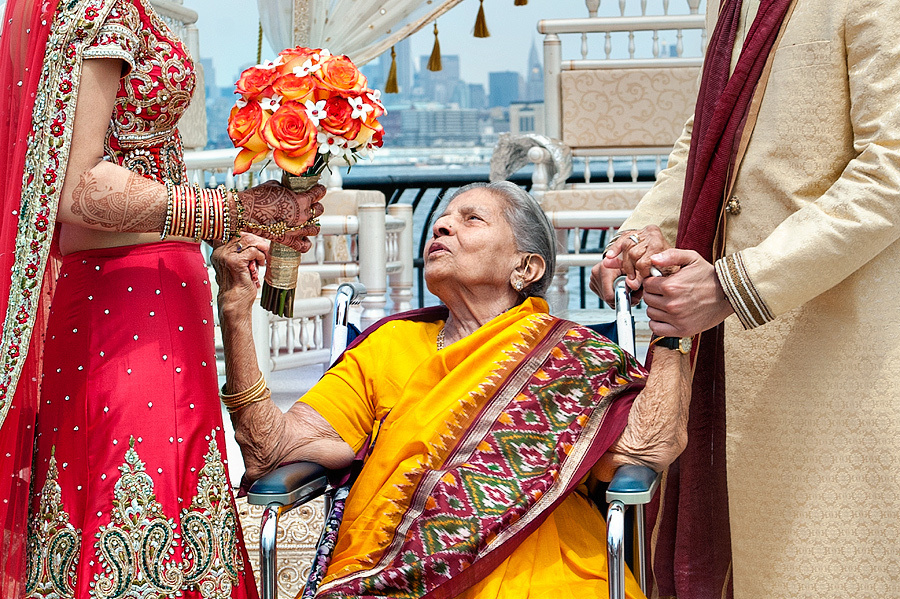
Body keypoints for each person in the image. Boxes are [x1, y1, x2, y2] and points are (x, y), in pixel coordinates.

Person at [213, 181, 693, 599]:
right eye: (441, 220)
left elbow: (648, 449)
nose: (442, 228)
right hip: (392, 576)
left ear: (525, 268)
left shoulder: (575, 354)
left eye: (471, 219)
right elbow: (269, 452)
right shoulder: (389, 344)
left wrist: (672, 326)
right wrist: (236, 314)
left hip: (548, 567)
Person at [0, 0, 325, 596]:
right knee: (125, 506)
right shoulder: (102, 8)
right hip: (120, 294)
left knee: (177, 507)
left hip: (159, 283)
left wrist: (228, 224)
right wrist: (230, 211)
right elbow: (77, 194)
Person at [591, 0, 900, 597]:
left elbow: (891, 167)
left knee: (820, 571)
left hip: (838, 344)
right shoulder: (729, 5)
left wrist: (735, 285)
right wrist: (637, 234)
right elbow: (705, 144)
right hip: (728, 350)